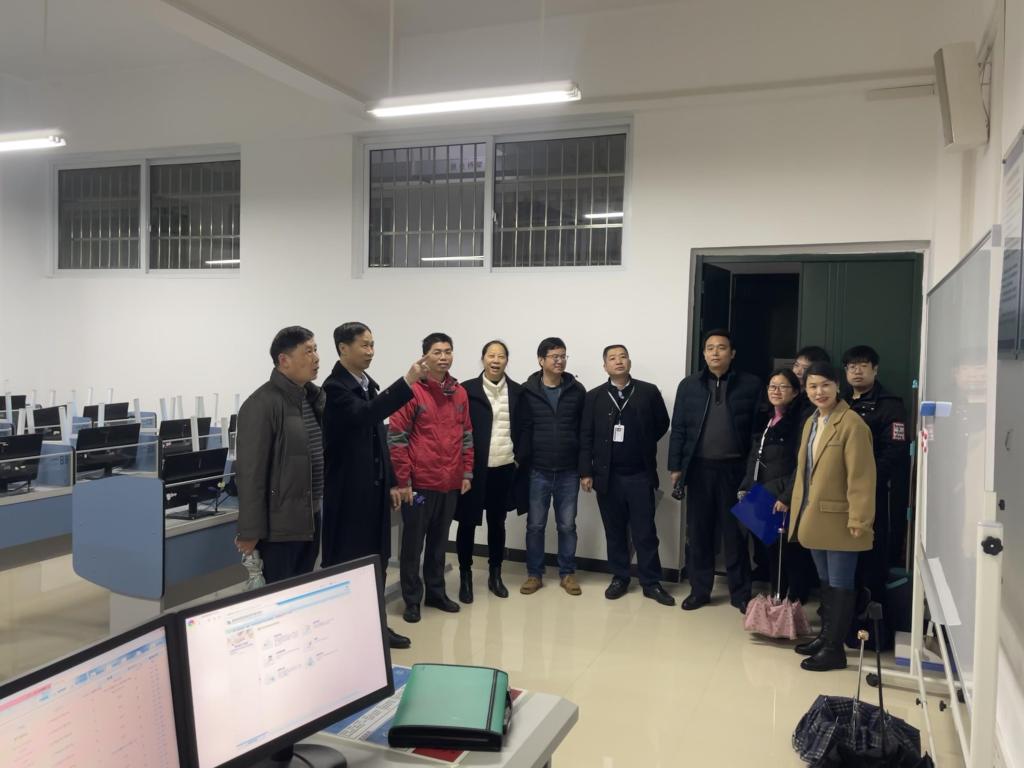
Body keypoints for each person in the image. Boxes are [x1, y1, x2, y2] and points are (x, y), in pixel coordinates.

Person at [321, 321, 429, 650]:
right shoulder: (335, 389)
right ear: (343, 348)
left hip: (375, 492)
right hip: (350, 496)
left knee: (376, 562)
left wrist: (394, 482)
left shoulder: (367, 385)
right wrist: (407, 382)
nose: (370, 351)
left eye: (372, 344)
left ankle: (376, 627)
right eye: (364, 345)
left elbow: (380, 439)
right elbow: (364, 416)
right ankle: (346, 634)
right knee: (350, 567)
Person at [789, 361, 876, 671]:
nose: (819, 391)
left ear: (838, 386)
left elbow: (861, 477)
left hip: (841, 519)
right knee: (826, 582)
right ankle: (825, 637)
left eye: (825, 384)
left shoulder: (852, 423)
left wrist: (860, 519)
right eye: (812, 386)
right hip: (814, 516)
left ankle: (834, 649)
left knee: (840, 584)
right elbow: (804, 472)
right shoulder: (812, 421)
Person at [668, 329, 761, 613]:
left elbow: (758, 431)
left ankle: (740, 593)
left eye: (721, 347)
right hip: (700, 469)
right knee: (699, 533)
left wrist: (754, 470)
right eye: (710, 348)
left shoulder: (751, 384)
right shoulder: (689, 385)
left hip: (736, 470)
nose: (715, 352)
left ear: (732, 353)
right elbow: (679, 427)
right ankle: (700, 591)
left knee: (736, 533)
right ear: (704, 354)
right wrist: (675, 466)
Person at [389, 333, 474, 624]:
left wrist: (466, 472)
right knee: (413, 546)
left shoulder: (459, 393)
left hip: (450, 482)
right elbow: (397, 438)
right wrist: (403, 481)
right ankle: (412, 599)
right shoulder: (412, 390)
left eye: (448, 351)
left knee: (439, 544)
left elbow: (466, 434)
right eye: (437, 352)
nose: (443, 357)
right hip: (420, 484)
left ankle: (436, 593)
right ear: (425, 356)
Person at [579, 345, 674, 605]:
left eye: (623, 357)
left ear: (629, 362)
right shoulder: (594, 397)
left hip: (640, 474)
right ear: (605, 366)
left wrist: (642, 442)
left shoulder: (648, 391)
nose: (618, 361)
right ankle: (620, 577)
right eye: (612, 358)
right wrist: (586, 471)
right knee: (615, 531)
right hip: (607, 477)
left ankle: (651, 582)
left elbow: (662, 424)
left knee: (645, 532)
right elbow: (585, 436)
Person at [235, 326, 323, 584]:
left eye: (316, 350)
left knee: (301, 591)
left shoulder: (311, 398)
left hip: (309, 517)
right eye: (308, 351)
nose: (316, 358)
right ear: (284, 360)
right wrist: (250, 531)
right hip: (280, 528)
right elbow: (251, 474)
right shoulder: (261, 404)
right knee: (278, 595)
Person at [737, 368, 816, 602]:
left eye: (783, 387)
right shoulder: (767, 417)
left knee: (789, 552)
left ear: (796, 392)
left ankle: (794, 600)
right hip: (762, 492)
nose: (776, 391)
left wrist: (787, 496)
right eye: (772, 386)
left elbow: (802, 464)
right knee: (771, 549)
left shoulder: (801, 421)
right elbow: (755, 455)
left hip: (783, 495)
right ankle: (777, 597)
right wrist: (747, 485)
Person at [517, 337, 587, 597]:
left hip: (569, 470)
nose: (560, 361)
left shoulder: (576, 390)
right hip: (538, 470)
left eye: (563, 356)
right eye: (554, 356)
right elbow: (521, 428)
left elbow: (584, 431)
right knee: (535, 525)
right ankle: (534, 574)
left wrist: (585, 469)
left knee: (567, 525)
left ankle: (567, 573)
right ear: (541, 360)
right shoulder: (527, 391)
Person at [455, 340, 522, 603]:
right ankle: (465, 576)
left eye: (501, 356)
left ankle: (495, 574)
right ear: (483, 359)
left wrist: (519, 458)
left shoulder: (517, 392)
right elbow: (458, 429)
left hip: (503, 468)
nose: (496, 360)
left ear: (507, 361)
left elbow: (525, 428)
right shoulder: (466, 390)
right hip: (473, 470)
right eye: (491, 355)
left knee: (497, 523)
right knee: (467, 522)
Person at [842, 344, 910, 569]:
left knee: (874, 539)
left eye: (863, 366)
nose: (857, 371)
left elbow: (896, 448)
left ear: (875, 369)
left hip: (877, 485)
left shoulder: (890, 404)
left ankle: (874, 586)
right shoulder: (840, 402)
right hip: (841, 484)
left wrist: (869, 478)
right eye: (852, 367)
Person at [792, 346, 831, 425]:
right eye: (796, 365)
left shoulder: (817, 400)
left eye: (805, 368)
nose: (798, 372)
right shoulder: (791, 392)